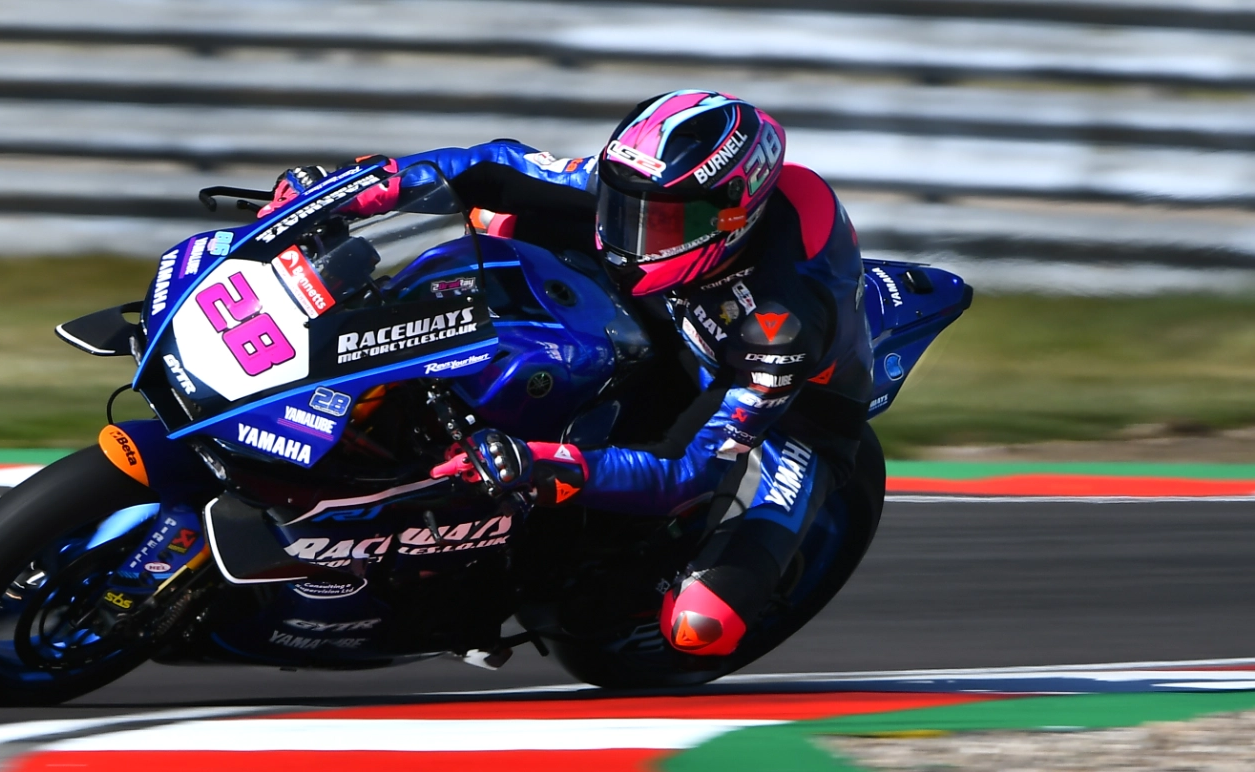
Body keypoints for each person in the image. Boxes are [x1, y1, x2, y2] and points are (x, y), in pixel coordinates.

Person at [262, 90, 874, 658]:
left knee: (700, 626)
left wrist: (542, 463)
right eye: (621, 203)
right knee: (490, 221)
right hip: (667, 309)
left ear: (729, 219)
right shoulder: (651, 197)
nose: (627, 230)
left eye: (655, 221)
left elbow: (686, 471)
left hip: (786, 411)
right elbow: (496, 166)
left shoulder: (779, 326)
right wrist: (365, 188)